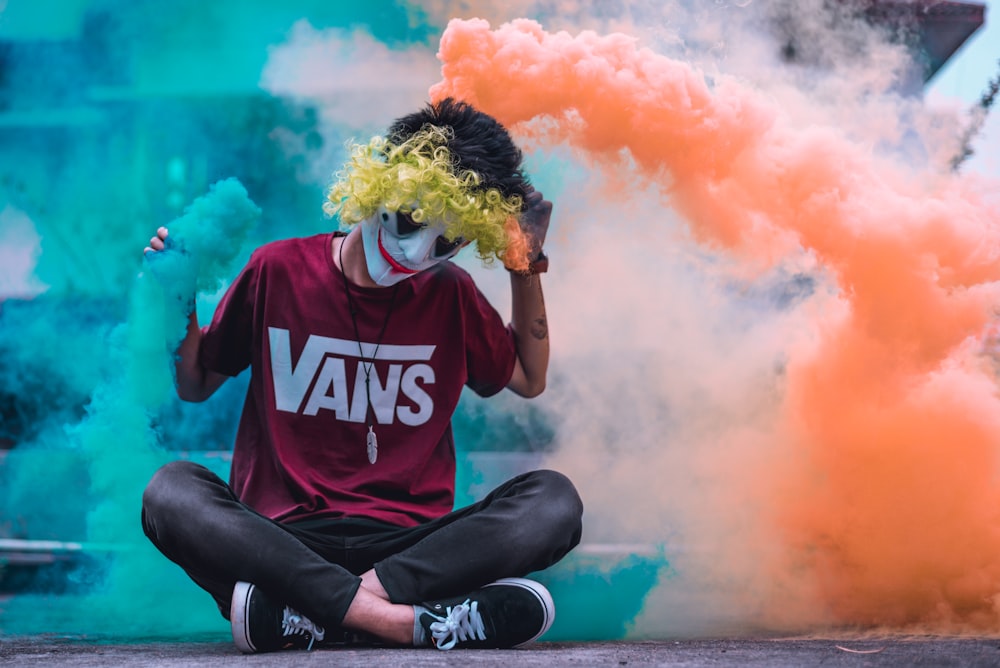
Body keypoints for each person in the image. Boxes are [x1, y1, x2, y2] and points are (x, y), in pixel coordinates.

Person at [140, 97, 584, 654]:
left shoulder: (450, 294)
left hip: (410, 552)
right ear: (379, 186)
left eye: (446, 243)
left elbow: (527, 376)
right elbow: (196, 382)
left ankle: (315, 617)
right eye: (413, 218)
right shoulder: (277, 269)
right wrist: (178, 300)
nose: (416, 250)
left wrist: (526, 263)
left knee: (554, 502)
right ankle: (408, 624)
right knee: (169, 493)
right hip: (281, 540)